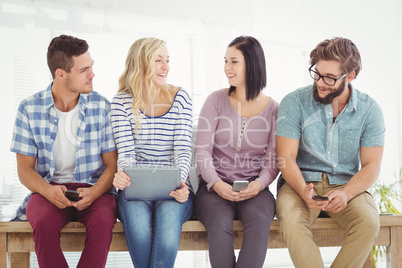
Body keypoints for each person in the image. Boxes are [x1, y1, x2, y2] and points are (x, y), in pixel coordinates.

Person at [275, 37, 385, 268]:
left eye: (330, 78)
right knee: (292, 220)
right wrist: (303, 190)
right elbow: (286, 158)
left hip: (347, 185)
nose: (320, 83)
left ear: (351, 76)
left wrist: (346, 193)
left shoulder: (370, 110)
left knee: (368, 222)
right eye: (317, 73)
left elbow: (372, 166)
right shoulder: (294, 102)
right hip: (300, 183)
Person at [9, 34, 117, 268]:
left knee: (103, 218)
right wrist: (47, 191)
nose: (92, 75)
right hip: (49, 190)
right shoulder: (29, 109)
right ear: (61, 73)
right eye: (84, 70)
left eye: (92, 67)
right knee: (42, 219)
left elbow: (112, 165)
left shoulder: (102, 107)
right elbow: (25, 170)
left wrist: (96, 191)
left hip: (93, 191)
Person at [195, 36, 279, 268]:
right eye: (225, 61)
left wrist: (259, 184)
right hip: (213, 188)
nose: (226, 68)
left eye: (233, 62)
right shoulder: (215, 100)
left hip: (255, 189)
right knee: (220, 223)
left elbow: (273, 162)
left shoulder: (274, 109)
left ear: (251, 64)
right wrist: (216, 183)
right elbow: (202, 150)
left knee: (260, 221)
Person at [111, 37, 194, 268]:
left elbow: (183, 149)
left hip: (175, 189)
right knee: (138, 229)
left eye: (167, 60)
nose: (166, 67)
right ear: (141, 64)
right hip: (136, 191)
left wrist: (180, 182)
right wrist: (123, 174)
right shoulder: (121, 102)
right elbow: (126, 153)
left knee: (167, 229)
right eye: (158, 60)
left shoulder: (181, 98)